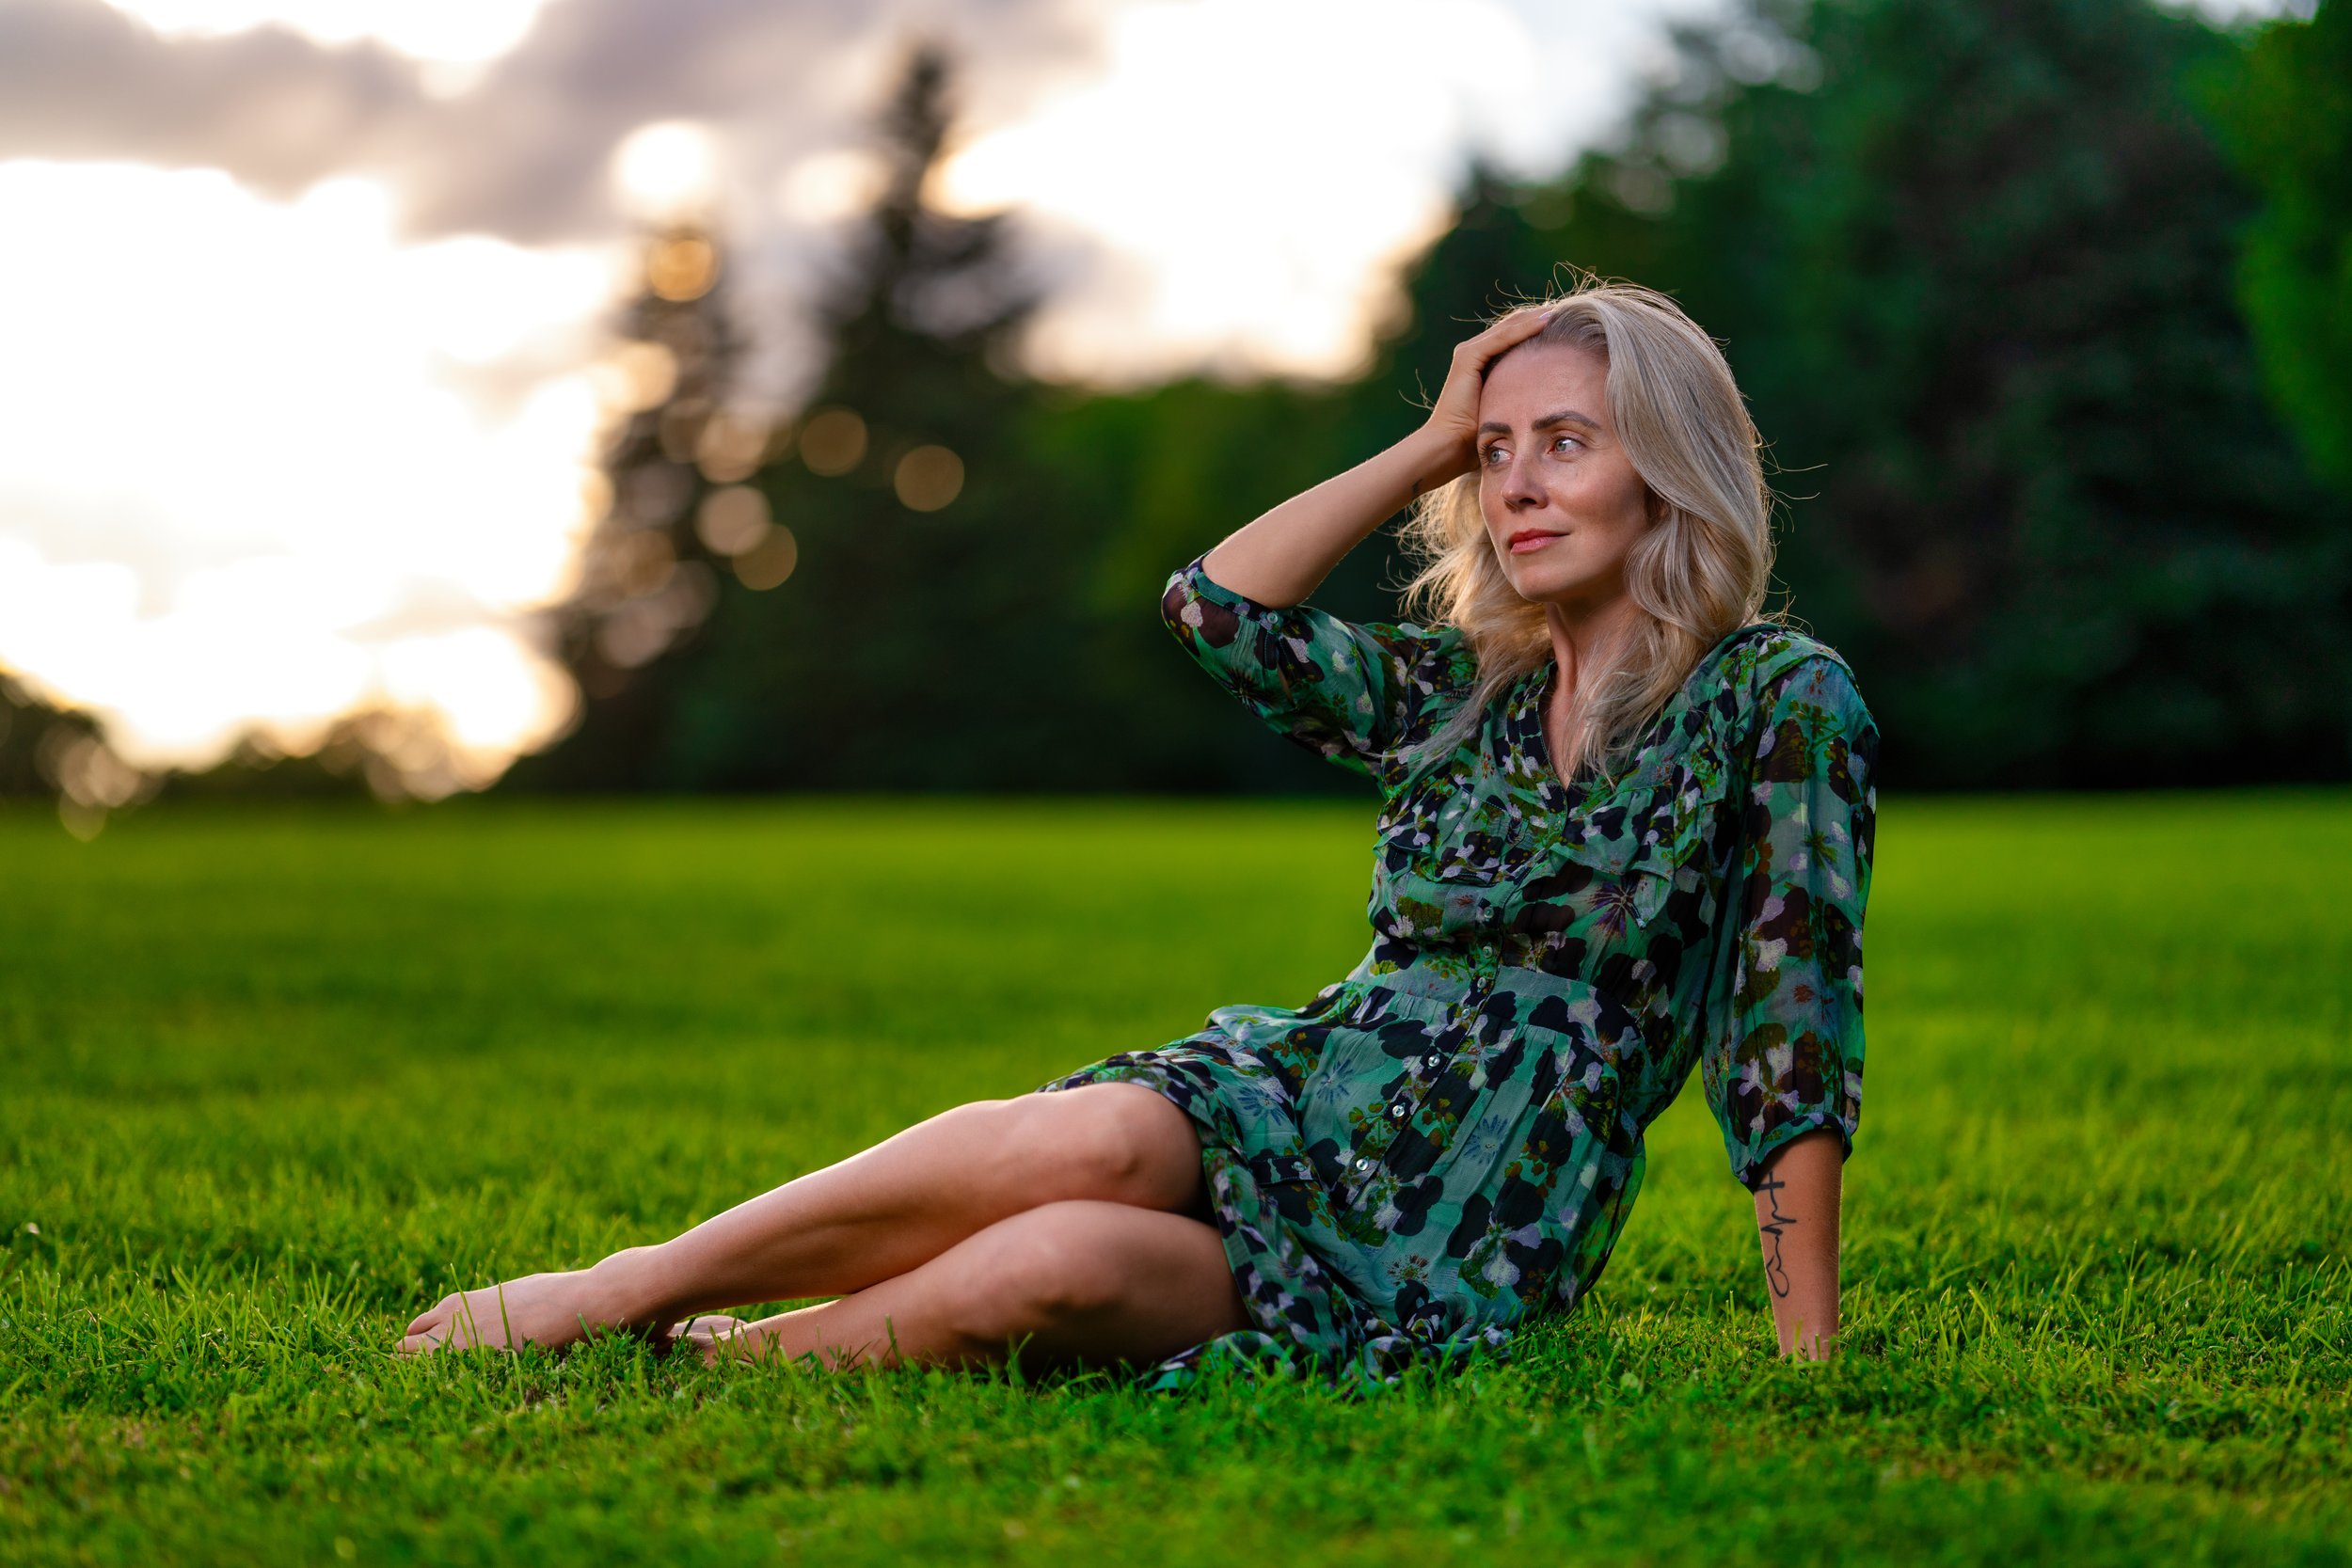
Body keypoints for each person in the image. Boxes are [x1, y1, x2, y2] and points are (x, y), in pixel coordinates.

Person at [400, 278, 1879, 1386]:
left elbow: (1788, 1029)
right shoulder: (1455, 690)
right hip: (1303, 1095)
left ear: (1668, 460)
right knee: (1100, 1132)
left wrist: (1804, 1358)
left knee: (1053, 1267)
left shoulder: (1771, 699)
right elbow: (1218, 611)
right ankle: (623, 1290)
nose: (1519, 484)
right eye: (1498, 452)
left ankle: (730, 1364)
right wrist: (1426, 439)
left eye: (1569, 442)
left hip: (1468, 1225)